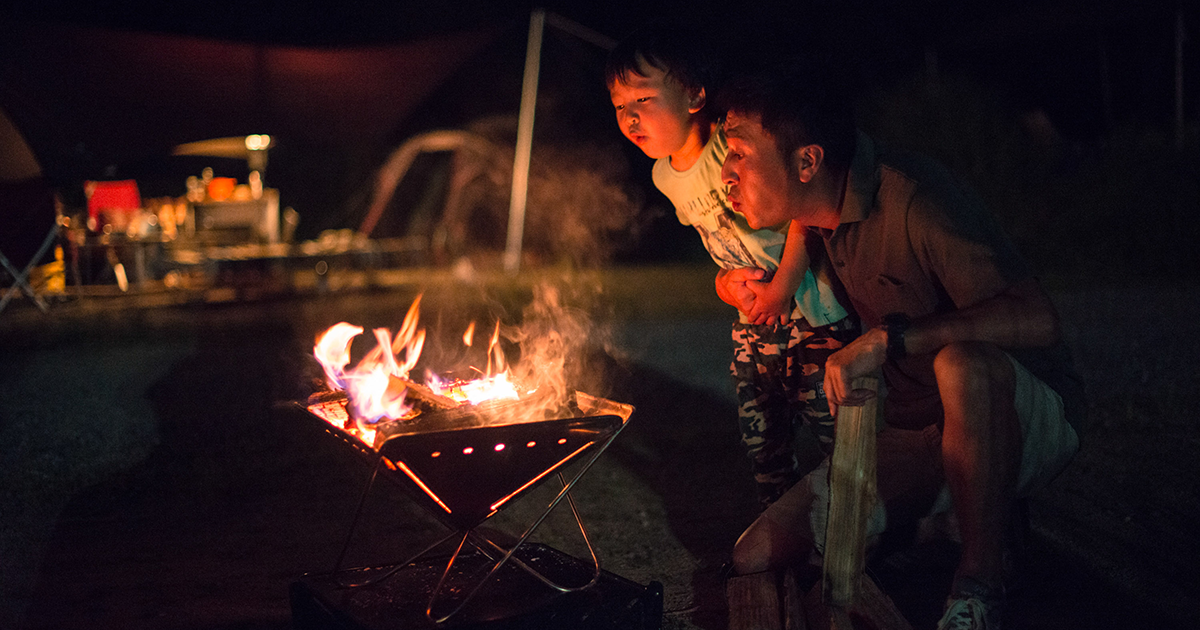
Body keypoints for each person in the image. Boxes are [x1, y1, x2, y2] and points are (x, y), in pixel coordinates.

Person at [717, 61, 1085, 629]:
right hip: (916, 432)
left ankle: (978, 587)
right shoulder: (817, 212)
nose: (726, 173)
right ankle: (966, 511)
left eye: (739, 153)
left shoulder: (915, 198)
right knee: (757, 553)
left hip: (1021, 409)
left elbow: (1038, 319)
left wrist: (887, 341)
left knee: (962, 365)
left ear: (808, 160)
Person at [605, 26, 857, 507]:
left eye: (644, 99)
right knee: (763, 439)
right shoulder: (664, 176)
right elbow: (719, 244)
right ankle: (777, 527)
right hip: (754, 326)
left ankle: (859, 538)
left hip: (816, 317)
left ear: (695, 95)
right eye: (620, 105)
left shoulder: (732, 144)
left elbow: (803, 210)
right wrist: (725, 285)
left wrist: (784, 284)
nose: (630, 116)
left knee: (838, 437)